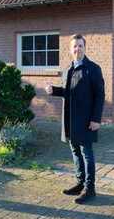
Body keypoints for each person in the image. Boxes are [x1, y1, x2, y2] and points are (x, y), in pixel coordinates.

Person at [45, 34, 105, 204]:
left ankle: (90, 188)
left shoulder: (93, 69)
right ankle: (80, 184)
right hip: (70, 120)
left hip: (86, 120)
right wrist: (54, 90)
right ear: (70, 50)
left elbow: (100, 95)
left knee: (87, 154)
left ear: (85, 48)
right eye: (75, 46)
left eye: (80, 45)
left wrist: (96, 119)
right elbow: (68, 92)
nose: (77, 49)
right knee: (75, 152)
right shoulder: (68, 69)